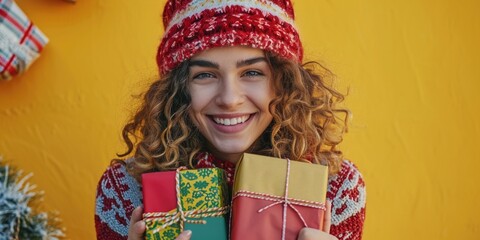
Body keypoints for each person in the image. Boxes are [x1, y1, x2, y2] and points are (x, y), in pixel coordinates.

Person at [95, 0, 366, 240]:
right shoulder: (126, 190)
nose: (229, 98)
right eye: (204, 75)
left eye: (252, 72)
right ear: (176, 91)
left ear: (285, 83)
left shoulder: (334, 188)